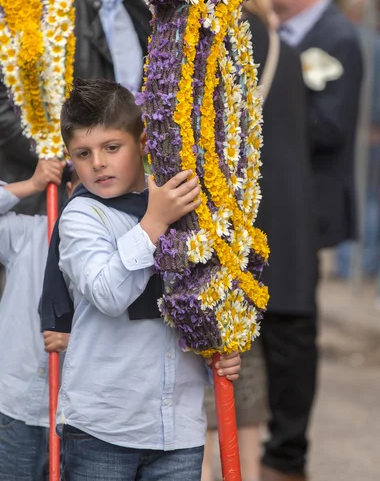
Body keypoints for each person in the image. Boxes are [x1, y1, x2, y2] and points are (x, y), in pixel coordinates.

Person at [45, 78, 241, 481]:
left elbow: (197, 295)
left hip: (179, 428)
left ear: (143, 142)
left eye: (111, 147)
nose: (98, 162)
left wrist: (218, 349)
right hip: (103, 428)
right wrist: (153, 223)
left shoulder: (184, 207)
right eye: (83, 153)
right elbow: (108, 294)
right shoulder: (83, 216)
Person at [202, 0, 317, 481]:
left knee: (222, 353)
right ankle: (260, 465)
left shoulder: (208, 43)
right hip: (280, 218)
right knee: (269, 354)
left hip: (229, 217)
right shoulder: (284, 47)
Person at [257, 0, 363, 480]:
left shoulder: (334, 35)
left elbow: (329, 124)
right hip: (286, 200)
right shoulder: (291, 35)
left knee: (295, 324)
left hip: (309, 202)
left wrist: (277, 114)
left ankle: (287, 448)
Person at [0, 0, 152, 214]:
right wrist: (72, 157)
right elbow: (6, 103)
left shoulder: (137, 10)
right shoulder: (42, 5)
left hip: (129, 205)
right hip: (55, 205)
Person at [0, 159, 73, 481]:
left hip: (77, 420)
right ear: (69, 190)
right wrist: (32, 184)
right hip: (15, 407)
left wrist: (75, 339)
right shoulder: (31, 232)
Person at [335, 0, 380, 279]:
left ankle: (346, 266)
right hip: (374, 134)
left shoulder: (342, 41)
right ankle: (370, 263)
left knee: (348, 198)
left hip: (351, 133)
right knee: (372, 199)